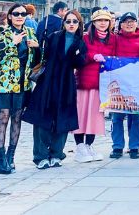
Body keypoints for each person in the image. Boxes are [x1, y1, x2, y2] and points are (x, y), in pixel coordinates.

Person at [23, 10, 87, 169]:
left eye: (74, 22)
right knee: (42, 118)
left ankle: (56, 154)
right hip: (48, 81)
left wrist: (77, 53)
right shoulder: (53, 37)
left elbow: (80, 63)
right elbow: (43, 57)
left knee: (63, 118)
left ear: (79, 24)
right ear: (63, 23)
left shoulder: (80, 42)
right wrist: (38, 47)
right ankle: (41, 156)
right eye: (68, 21)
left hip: (66, 83)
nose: (71, 24)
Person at [0, 4, 40, 174]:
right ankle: (1, 158)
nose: (20, 16)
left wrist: (37, 48)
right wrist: (13, 44)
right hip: (6, 83)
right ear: (10, 16)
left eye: (23, 14)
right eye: (17, 14)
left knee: (16, 119)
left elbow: (37, 60)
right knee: (3, 118)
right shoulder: (3, 33)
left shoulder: (30, 32)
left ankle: (11, 156)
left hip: (23, 83)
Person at [73, 9, 116, 163]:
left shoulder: (113, 39)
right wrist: (92, 57)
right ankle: (79, 147)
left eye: (105, 20)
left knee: (94, 117)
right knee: (81, 115)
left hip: (101, 84)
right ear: (94, 22)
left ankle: (89, 145)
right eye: (99, 20)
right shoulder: (85, 38)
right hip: (85, 82)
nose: (103, 23)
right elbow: (78, 57)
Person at [110, 12, 139, 159]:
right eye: (126, 21)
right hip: (118, 82)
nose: (129, 24)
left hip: (136, 84)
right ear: (120, 24)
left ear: (137, 23)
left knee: (137, 117)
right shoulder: (114, 39)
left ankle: (134, 147)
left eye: (132, 21)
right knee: (117, 116)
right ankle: (117, 146)